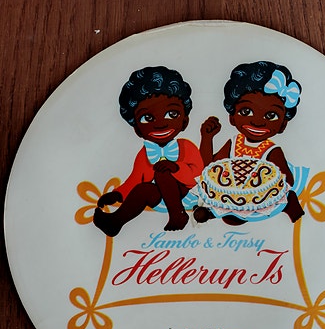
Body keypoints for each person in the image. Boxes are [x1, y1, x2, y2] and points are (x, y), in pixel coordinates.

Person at [93, 66, 203, 237]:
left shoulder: (186, 147)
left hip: (188, 196)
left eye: (172, 114)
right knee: (144, 188)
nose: (160, 124)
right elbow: (135, 179)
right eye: (148, 118)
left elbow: (198, 175)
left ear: (184, 122)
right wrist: (117, 194)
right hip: (160, 200)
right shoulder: (145, 153)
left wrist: (175, 168)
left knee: (162, 172)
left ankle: (178, 215)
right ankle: (115, 222)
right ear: (137, 129)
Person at [195, 61, 304, 225]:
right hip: (231, 197)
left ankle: (293, 211)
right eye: (246, 111)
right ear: (232, 117)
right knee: (225, 214)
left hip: (260, 201)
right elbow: (209, 169)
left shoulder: (271, 150)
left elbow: (287, 181)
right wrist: (206, 138)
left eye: (271, 116)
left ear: (283, 125)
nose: (257, 122)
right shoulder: (234, 143)